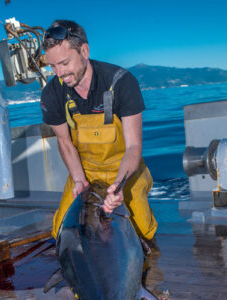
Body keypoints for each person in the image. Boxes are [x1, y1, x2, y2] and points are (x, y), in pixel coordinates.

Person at [41, 20, 157, 241]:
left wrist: (119, 185)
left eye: (64, 63)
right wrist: (78, 180)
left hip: (124, 169)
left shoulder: (121, 82)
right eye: (53, 66)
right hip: (85, 170)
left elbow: (133, 147)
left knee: (141, 230)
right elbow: (64, 142)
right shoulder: (52, 93)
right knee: (62, 231)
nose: (59, 73)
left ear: (84, 51)